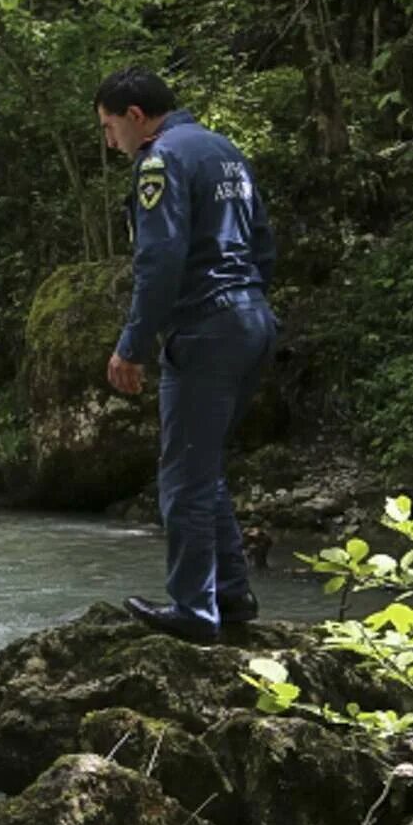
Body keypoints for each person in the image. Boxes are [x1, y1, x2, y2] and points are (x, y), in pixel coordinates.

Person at [95, 68, 277, 644]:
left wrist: (133, 344)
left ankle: (194, 611)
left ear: (136, 116)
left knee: (182, 478)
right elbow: (264, 240)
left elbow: (160, 260)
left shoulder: (161, 160)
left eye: (109, 127)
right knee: (204, 467)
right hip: (251, 319)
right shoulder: (226, 151)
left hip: (204, 327)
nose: (109, 141)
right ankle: (232, 594)